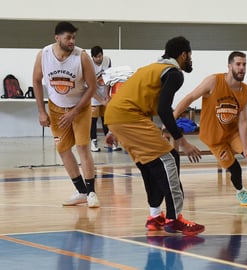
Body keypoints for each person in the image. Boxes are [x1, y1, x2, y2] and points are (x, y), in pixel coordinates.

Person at [104, 36, 205, 236]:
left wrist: (112, 129)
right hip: (128, 116)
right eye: (190, 56)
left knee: (150, 164)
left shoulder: (149, 69)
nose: (190, 60)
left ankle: (154, 216)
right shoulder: (174, 73)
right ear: (183, 54)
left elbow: (128, 96)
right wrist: (182, 141)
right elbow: (164, 109)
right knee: (170, 158)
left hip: (116, 115)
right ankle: (175, 218)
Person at [173, 51, 247, 207]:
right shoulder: (213, 81)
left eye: (244, 64)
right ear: (229, 66)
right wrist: (172, 118)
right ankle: (241, 191)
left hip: (233, 133)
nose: (242, 68)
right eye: (238, 64)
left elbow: (243, 121)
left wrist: (245, 148)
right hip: (215, 138)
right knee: (235, 169)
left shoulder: (244, 90)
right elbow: (190, 97)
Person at [32, 21, 100, 208]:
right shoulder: (44, 55)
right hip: (56, 108)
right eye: (68, 37)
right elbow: (37, 81)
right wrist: (41, 111)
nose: (72, 41)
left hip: (80, 107)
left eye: (74, 38)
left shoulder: (82, 56)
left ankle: (92, 192)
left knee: (83, 147)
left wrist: (75, 111)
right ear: (57, 38)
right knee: (63, 150)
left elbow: (92, 87)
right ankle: (81, 191)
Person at [89, 45, 121, 152]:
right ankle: (93, 141)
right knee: (93, 120)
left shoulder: (107, 60)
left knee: (106, 118)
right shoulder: (88, 65)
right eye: (96, 57)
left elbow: (108, 78)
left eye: (100, 56)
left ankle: (110, 141)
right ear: (92, 57)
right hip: (93, 95)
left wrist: (107, 95)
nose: (99, 59)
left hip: (103, 92)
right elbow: (89, 88)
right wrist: (100, 100)